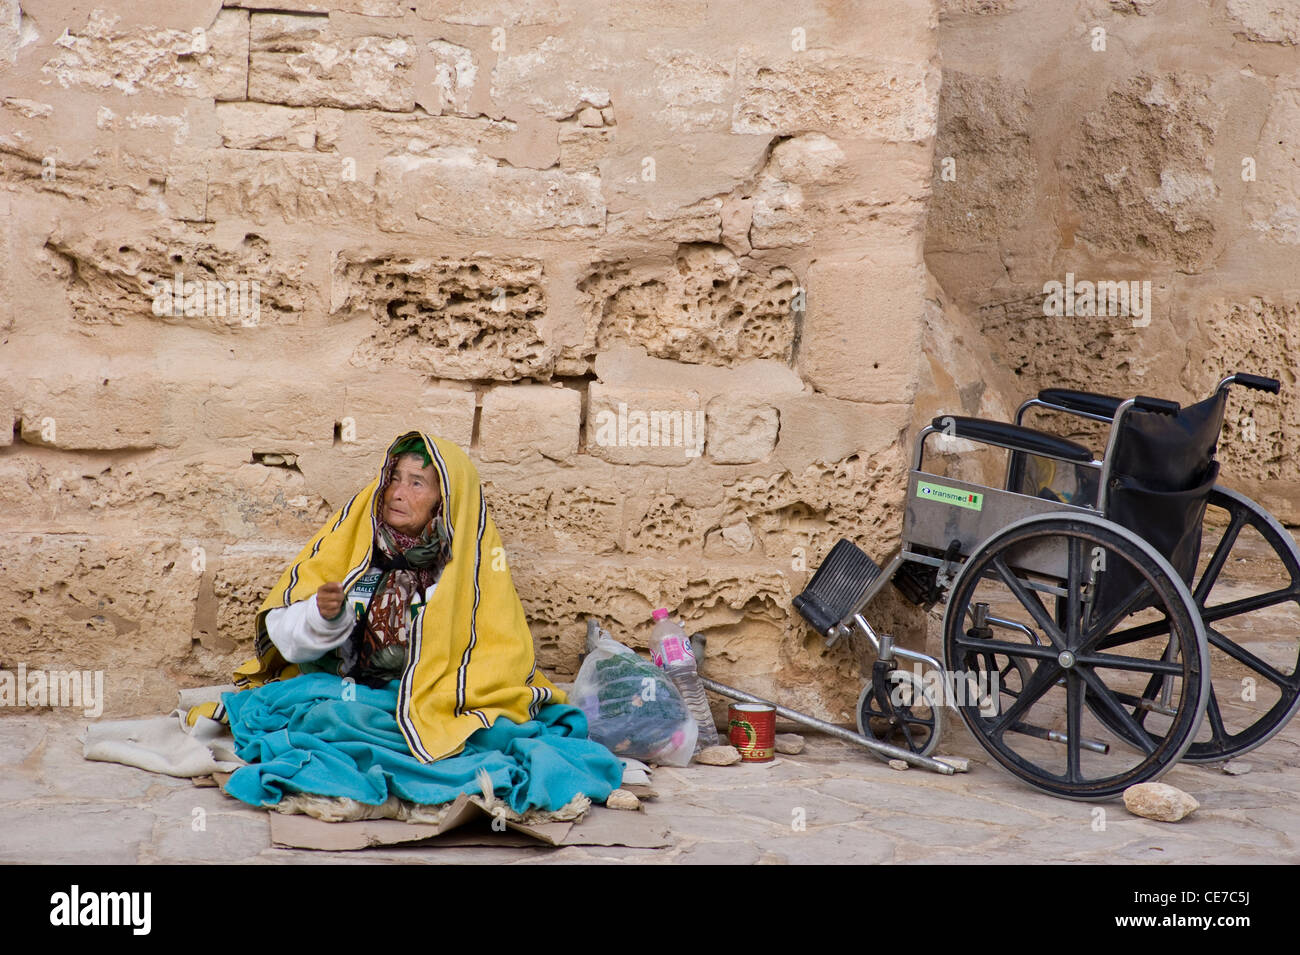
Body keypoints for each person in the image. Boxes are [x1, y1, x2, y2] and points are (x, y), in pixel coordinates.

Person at [211, 431, 623, 813]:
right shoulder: (356, 549)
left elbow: (497, 657)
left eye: (416, 484)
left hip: (439, 699)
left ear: (442, 502)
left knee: (492, 733)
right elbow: (289, 641)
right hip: (360, 696)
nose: (397, 493)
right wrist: (324, 618)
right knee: (329, 717)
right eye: (394, 479)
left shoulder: (468, 572)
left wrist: (437, 694)